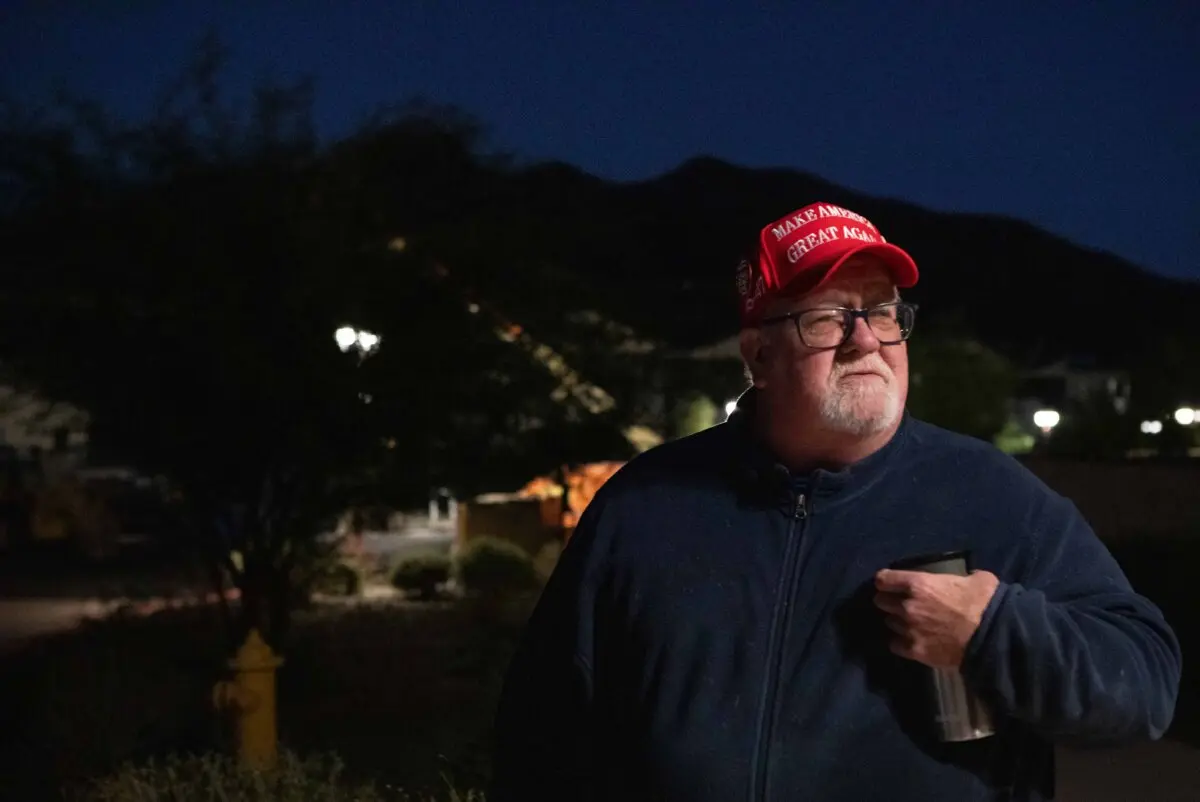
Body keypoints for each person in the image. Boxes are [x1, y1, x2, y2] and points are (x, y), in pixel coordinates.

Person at [490, 202, 1181, 801]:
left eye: (881, 312)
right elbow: (541, 738)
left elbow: (1144, 685)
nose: (865, 340)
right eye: (827, 318)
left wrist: (994, 631)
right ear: (758, 357)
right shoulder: (644, 506)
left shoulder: (994, 497)